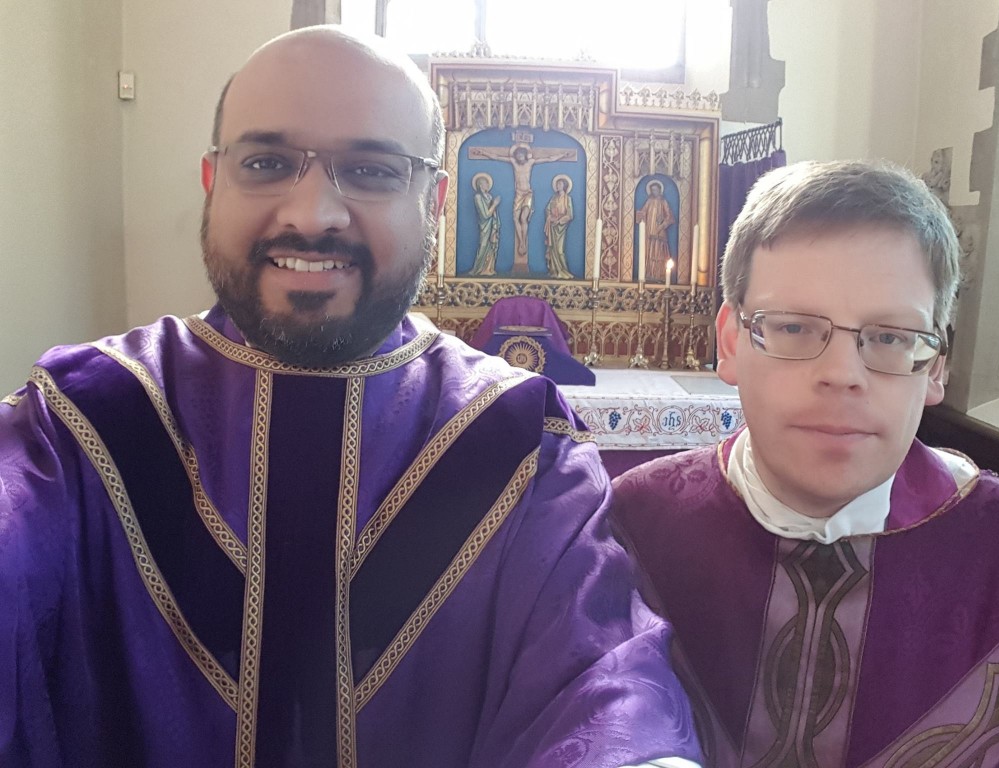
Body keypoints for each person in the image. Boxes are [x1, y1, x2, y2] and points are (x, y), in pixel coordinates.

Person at [0, 26, 702, 768]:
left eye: (370, 170)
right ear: (213, 181)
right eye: (267, 163)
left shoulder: (516, 441)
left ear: (433, 201)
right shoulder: (82, 421)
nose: (312, 214)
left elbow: (604, 678)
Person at [612, 160, 999, 766]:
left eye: (889, 337)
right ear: (729, 343)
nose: (840, 375)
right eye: (795, 327)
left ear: (935, 366)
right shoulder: (633, 525)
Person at [468, 142, 576, 272]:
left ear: (525, 155)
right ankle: (521, 242)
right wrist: (483, 152)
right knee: (515, 218)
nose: (519, 156)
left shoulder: (530, 163)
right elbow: (496, 157)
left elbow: (548, 158)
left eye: (521, 154)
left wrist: (563, 155)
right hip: (518, 194)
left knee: (524, 218)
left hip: (528, 194)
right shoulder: (513, 162)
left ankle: (523, 242)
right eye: (517, 154)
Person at [635, 180, 675, 284]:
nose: (654, 192)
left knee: (659, 251)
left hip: (659, 231)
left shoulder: (663, 202)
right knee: (649, 251)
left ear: (660, 190)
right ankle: (649, 273)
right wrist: (638, 215)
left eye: (656, 190)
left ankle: (659, 274)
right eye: (652, 190)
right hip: (649, 230)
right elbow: (643, 212)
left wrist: (662, 226)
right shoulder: (649, 201)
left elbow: (670, 217)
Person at [467, 172, 500, 276]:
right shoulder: (478, 197)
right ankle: (477, 269)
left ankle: (488, 269)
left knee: (491, 246)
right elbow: (485, 215)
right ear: (480, 185)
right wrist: (494, 204)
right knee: (483, 245)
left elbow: (492, 213)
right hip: (484, 225)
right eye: (485, 183)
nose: (487, 185)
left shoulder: (489, 197)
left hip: (491, 225)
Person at [543, 175, 575, 279]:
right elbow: (547, 209)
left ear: (564, 186)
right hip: (552, 226)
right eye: (557, 184)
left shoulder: (567, 199)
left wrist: (559, 221)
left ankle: (563, 271)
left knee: (560, 251)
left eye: (560, 184)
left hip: (561, 227)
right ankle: (554, 271)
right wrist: (549, 217)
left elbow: (570, 215)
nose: (558, 185)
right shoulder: (553, 198)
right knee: (552, 249)